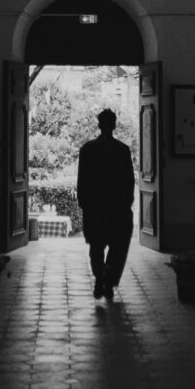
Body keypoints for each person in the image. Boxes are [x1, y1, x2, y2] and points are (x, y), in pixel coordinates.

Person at [76, 108, 135, 301]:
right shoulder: (123, 150)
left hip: (94, 207)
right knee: (118, 248)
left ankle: (100, 276)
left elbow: (82, 180)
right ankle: (108, 281)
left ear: (99, 124)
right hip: (118, 207)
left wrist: (84, 202)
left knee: (96, 247)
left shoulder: (87, 149)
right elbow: (129, 180)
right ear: (114, 125)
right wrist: (128, 201)